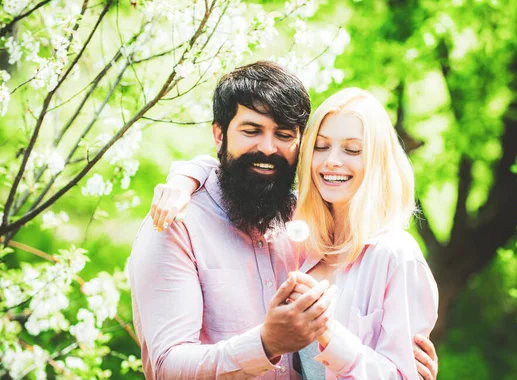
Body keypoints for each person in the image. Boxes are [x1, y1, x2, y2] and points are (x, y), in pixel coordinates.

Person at [151, 83, 439, 379]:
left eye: (352, 149)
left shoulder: (395, 256)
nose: (332, 161)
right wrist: (185, 177)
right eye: (321, 146)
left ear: (378, 160)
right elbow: (229, 166)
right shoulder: (299, 246)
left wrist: (328, 332)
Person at [129, 61, 336, 379]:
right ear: (219, 134)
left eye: (283, 134)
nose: (268, 148)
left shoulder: (309, 217)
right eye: (251, 131)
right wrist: (265, 344)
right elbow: (167, 366)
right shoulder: (177, 225)